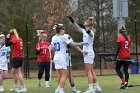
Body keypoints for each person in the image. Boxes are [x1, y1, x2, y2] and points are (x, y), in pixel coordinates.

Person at [68, 16, 102, 93]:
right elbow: (77, 28)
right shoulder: (84, 31)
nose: (84, 23)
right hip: (87, 53)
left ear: (88, 26)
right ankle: (96, 87)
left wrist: (85, 28)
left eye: (85, 24)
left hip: (88, 53)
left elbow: (89, 33)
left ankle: (90, 89)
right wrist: (73, 21)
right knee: (91, 71)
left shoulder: (91, 33)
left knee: (88, 71)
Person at [51, 24, 88, 93]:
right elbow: (73, 44)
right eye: (63, 29)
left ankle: (60, 89)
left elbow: (52, 49)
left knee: (63, 74)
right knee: (65, 74)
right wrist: (81, 43)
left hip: (57, 57)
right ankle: (60, 89)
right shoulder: (64, 36)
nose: (64, 30)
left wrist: (52, 57)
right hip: (62, 57)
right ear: (61, 30)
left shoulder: (53, 38)